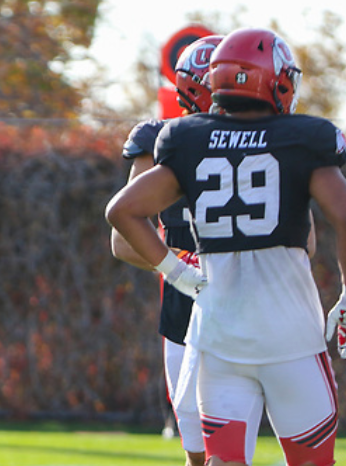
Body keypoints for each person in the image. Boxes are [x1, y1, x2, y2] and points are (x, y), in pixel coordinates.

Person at [106, 27, 346, 466]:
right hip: (288, 332)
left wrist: (178, 272)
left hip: (218, 333)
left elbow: (122, 211)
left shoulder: (186, 140)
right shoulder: (304, 137)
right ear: (274, 79)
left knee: (221, 462)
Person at [111, 34, 223, 466]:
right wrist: (181, 270)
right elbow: (122, 238)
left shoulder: (273, 140)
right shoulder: (161, 139)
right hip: (185, 300)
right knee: (196, 443)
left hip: (254, 292)